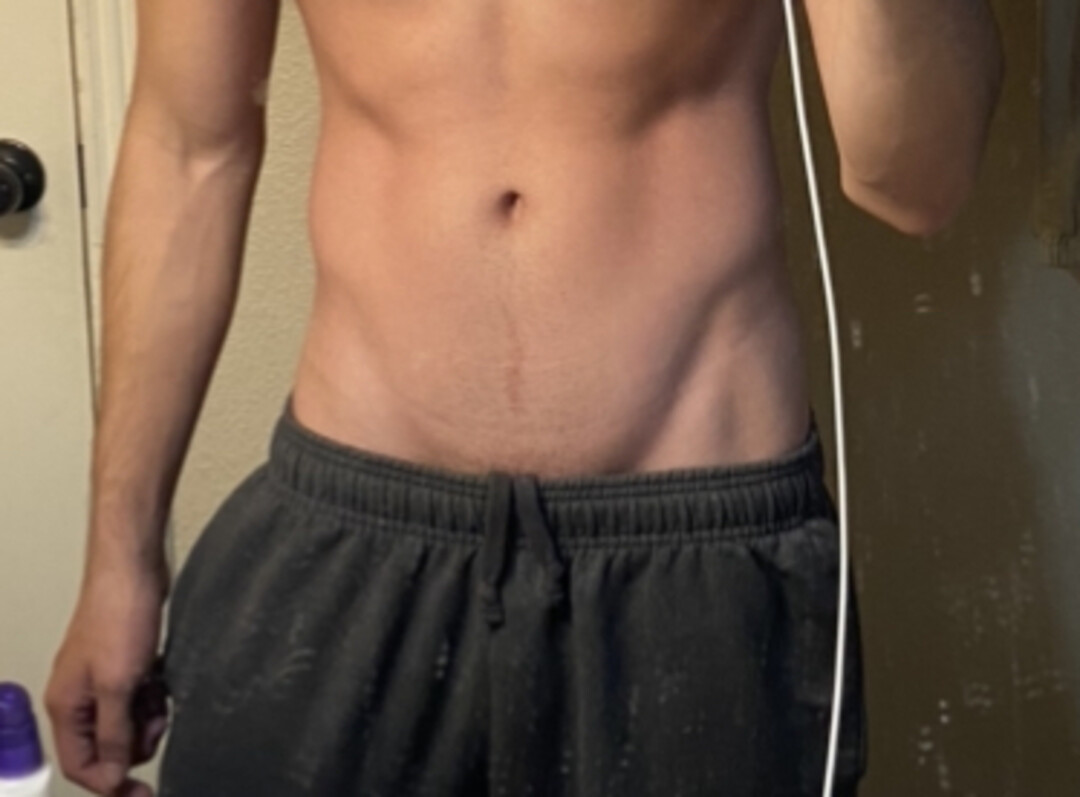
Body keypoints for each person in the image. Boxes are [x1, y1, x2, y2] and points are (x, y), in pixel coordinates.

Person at [44, 1, 1005, 795]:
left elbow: (920, 182)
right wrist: (119, 558)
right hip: (349, 529)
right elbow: (189, 148)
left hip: (695, 555)